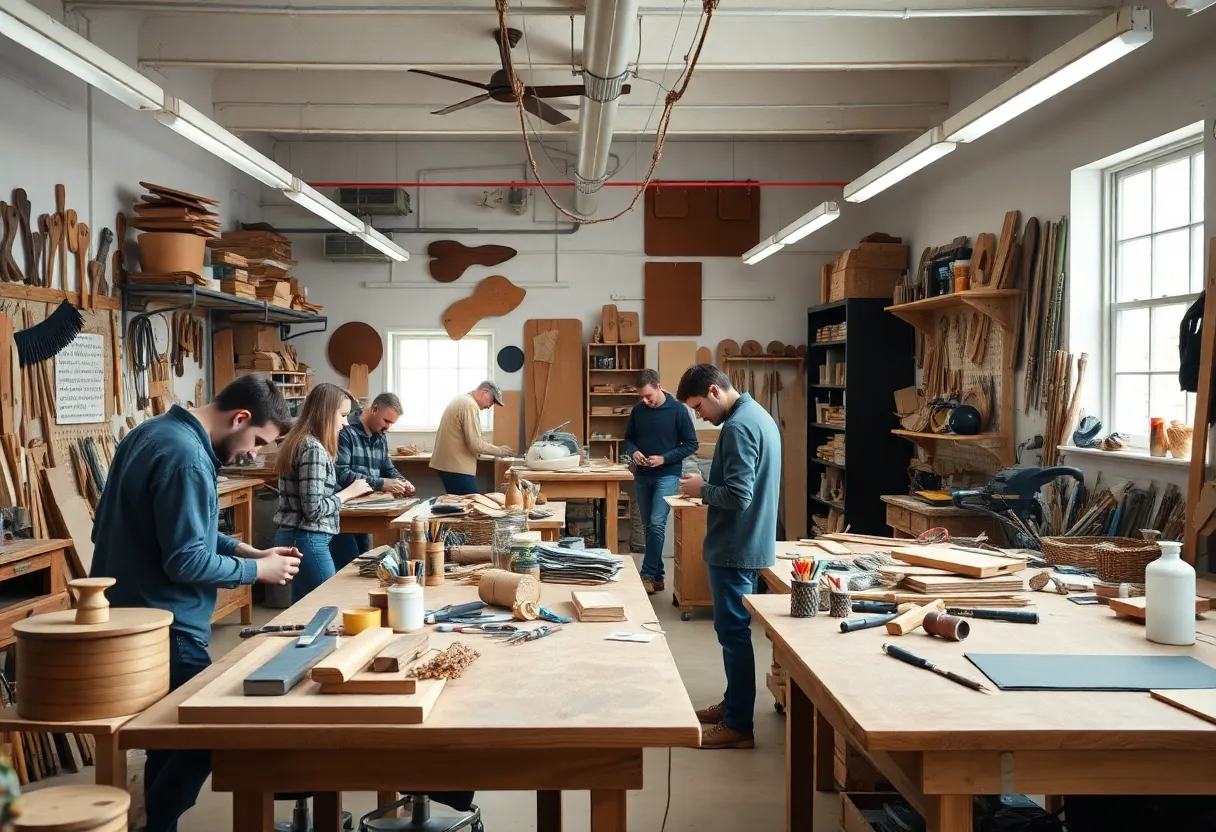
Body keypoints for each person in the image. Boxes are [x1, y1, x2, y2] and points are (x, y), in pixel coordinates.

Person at [90, 375, 303, 832]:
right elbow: (185, 561)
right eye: (257, 441)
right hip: (164, 623)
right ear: (239, 418)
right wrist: (257, 574)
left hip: (131, 614)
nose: (252, 454)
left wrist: (251, 552)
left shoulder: (151, 433)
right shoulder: (187, 458)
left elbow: (190, 533)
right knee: (211, 733)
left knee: (169, 739)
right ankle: (153, 826)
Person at [675, 364, 781, 750]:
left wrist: (701, 489)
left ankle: (738, 724)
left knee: (734, 634)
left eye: (699, 405)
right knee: (731, 632)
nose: (698, 414)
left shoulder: (738, 427)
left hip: (736, 546)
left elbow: (739, 496)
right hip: (746, 542)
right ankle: (732, 704)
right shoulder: (757, 415)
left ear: (716, 392)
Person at [273, 383, 373, 601]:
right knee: (327, 605)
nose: (346, 423)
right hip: (306, 538)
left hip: (299, 537)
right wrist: (348, 493)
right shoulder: (313, 449)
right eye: (343, 415)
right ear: (326, 413)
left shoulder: (302, 442)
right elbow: (314, 509)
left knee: (303, 611)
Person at [623, 368, 699, 596]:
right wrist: (634, 451)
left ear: (658, 386)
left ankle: (646, 574)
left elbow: (691, 444)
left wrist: (664, 458)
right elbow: (629, 438)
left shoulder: (678, 410)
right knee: (649, 527)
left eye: (649, 396)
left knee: (656, 524)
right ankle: (659, 576)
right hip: (643, 475)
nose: (645, 401)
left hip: (668, 475)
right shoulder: (638, 411)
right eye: (642, 397)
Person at [332, 392, 417, 569]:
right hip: (343, 513)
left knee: (365, 563)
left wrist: (402, 482)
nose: (388, 428)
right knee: (348, 564)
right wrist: (382, 483)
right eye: (386, 421)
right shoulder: (345, 431)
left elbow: (388, 469)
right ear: (374, 409)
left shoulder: (380, 436)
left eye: (392, 423)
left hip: (367, 509)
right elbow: (342, 474)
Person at [429, 380, 514, 495]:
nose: (490, 406)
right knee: (471, 504)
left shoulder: (462, 400)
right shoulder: (469, 405)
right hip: (456, 467)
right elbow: (475, 444)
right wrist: (499, 450)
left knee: (459, 505)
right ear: (485, 391)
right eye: (492, 400)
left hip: (449, 465)